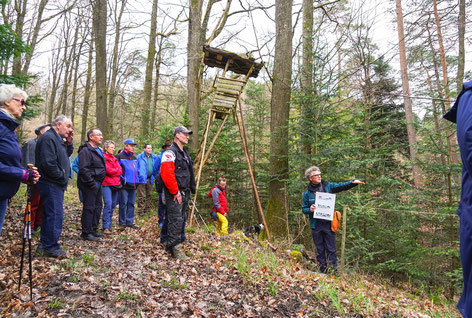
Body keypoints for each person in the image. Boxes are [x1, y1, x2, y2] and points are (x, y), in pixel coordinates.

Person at [444, 81, 472, 318]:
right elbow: (468, 140)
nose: (319, 177)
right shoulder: (471, 96)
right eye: (315, 174)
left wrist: (351, 183)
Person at [302, 166, 364, 274]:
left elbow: (341, 186)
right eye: (316, 175)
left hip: (328, 223)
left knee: (331, 249)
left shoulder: (328, 186)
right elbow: (304, 209)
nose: (319, 176)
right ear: (310, 178)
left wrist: (353, 182)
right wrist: (310, 209)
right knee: (320, 250)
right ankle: (322, 272)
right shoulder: (307, 193)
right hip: (316, 225)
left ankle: (333, 272)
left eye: (320, 174)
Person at [0, 84, 40, 236]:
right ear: (7, 101)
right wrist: (21, 174)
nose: (24, 107)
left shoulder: (8, 126)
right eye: (21, 102)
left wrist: (25, 173)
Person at [35, 115, 73, 258]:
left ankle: (44, 244)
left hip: (54, 183)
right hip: (51, 183)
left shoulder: (57, 139)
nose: (70, 130)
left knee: (50, 214)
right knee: (55, 215)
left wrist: (69, 143)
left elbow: (64, 156)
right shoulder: (48, 138)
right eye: (68, 126)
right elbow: (48, 163)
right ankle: (50, 247)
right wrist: (61, 176)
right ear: (58, 124)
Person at [160, 126, 196, 260]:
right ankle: (176, 249)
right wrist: (175, 192)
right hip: (175, 192)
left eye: (188, 134)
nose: (187, 136)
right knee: (176, 219)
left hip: (184, 191)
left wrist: (190, 189)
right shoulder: (170, 153)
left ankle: (169, 241)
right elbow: (167, 174)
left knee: (178, 217)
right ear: (177, 135)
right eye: (184, 134)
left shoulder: (184, 153)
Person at [20, 123, 50, 234]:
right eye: (47, 130)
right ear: (40, 132)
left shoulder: (47, 145)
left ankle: (38, 224)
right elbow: (28, 161)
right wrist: (30, 176)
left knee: (42, 203)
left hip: (45, 178)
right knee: (34, 202)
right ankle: (29, 225)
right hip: (34, 178)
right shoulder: (31, 144)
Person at [78, 129, 106, 241]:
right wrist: (91, 183)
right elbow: (84, 169)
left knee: (98, 206)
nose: (101, 137)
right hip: (90, 184)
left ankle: (93, 229)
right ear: (91, 137)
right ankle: (86, 232)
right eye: (98, 135)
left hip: (99, 183)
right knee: (89, 208)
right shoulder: (85, 151)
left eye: (101, 134)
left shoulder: (98, 150)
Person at [116, 138, 139, 229]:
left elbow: (136, 170)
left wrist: (138, 180)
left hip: (134, 184)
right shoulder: (119, 156)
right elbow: (116, 170)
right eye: (131, 145)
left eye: (134, 146)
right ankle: (122, 222)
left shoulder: (134, 158)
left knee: (131, 203)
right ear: (126, 146)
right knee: (123, 203)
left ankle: (130, 221)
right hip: (124, 185)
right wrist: (122, 180)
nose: (133, 147)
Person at [102, 140, 122, 233]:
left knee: (113, 205)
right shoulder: (103, 157)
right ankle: (105, 226)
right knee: (108, 203)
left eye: (114, 148)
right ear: (106, 148)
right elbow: (108, 170)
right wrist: (115, 171)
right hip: (106, 184)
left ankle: (109, 224)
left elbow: (120, 170)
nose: (113, 149)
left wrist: (115, 171)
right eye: (111, 147)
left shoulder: (114, 158)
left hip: (116, 184)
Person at [153, 140, 172, 227]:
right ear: (165, 148)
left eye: (170, 147)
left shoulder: (173, 156)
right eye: (167, 147)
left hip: (170, 181)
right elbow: (154, 169)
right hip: (161, 181)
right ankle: (161, 220)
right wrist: (158, 177)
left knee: (169, 202)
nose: (169, 148)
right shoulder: (160, 157)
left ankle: (168, 219)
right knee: (162, 201)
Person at [136, 143, 157, 215]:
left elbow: (157, 168)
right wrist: (138, 176)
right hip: (141, 179)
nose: (150, 149)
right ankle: (140, 210)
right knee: (141, 195)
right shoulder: (139, 157)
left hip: (150, 178)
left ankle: (147, 209)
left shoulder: (154, 157)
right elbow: (136, 167)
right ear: (144, 149)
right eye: (148, 148)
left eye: (151, 148)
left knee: (149, 195)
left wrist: (155, 176)